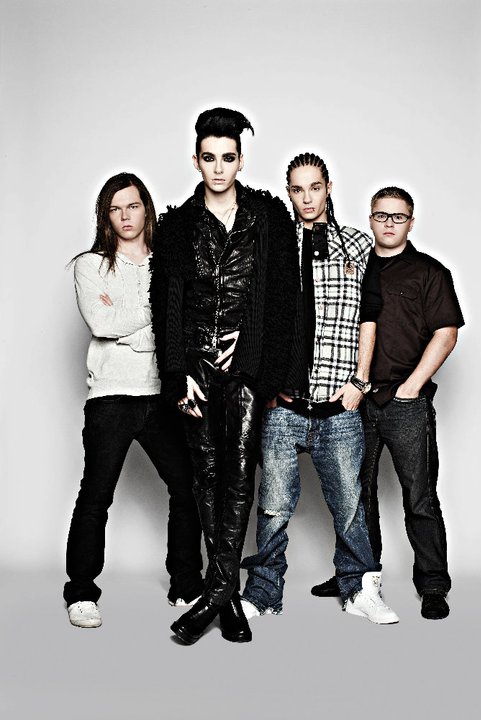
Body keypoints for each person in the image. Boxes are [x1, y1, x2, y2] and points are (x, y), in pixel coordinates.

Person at [150, 108, 299, 644]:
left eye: (228, 158)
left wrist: (256, 358)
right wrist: (177, 374)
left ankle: (214, 596)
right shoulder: (177, 226)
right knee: (205, 476)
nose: (219, 168)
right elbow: (166, 305)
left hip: (246, 371)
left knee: (238, 473)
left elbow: (284, 299)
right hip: (195, 371)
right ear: (196, 160)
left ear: (241, 160)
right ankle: (228, 596)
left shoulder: (269, 217)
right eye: (209, 158)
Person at [240, 153, 399, 624]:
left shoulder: (358, 245)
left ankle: (359, 590)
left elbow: (369, 318)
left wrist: (359, 383)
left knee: (350, 506)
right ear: (288, 193)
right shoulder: (274, 246)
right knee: (273, 507)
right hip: (284, 406)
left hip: (339, 404)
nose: (306, 198)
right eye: (297, 189)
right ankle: (262, 593)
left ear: (329, 187)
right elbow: (256, 315)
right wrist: (266, 386)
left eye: (314, 187)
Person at [312, 186, 464, 620]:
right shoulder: (354, 266)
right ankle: (358, 576)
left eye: (398, 216)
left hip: (404, 403)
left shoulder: (429, 272)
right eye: (381, 215)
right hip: (355, 400)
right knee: (355, 495)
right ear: (371, 219)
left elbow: (447, 332)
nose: (389, 223)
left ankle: (433, 585)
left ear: (411, 222)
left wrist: (412, 386)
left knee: (420, 496)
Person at [64, 172, 203, 628]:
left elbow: (183, 324)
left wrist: (137, 324)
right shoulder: (90, 265)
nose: (125, 216)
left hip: (162, 395)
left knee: (186, 488)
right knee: (96, 495)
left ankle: (186, 583)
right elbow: (102, 323)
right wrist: (158, 316)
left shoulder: (168, 263)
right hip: (110, 398)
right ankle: (81, 593)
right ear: (105, 216)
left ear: (147, 210)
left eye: (133, 205)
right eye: (115, 208)